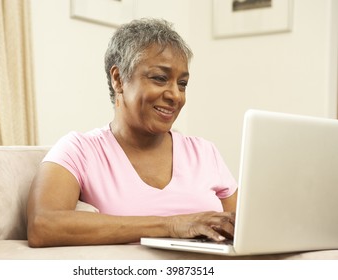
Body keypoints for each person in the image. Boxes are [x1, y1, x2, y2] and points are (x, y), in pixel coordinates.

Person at [27, 18, 238, 247]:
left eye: (182, 83)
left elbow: (247, 229)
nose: (176, 95)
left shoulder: (204, 152)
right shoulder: (79, 150)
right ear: (118, 79)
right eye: (160, 78)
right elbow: (43, 225)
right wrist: (171, 225)